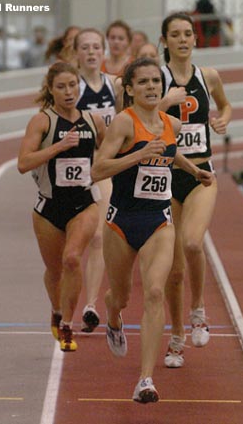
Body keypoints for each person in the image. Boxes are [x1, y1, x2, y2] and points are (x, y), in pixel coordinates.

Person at [91, 57, 214, 403]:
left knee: (155, 292)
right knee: (120, 296)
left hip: (159, 221)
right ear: (129, 90)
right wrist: (138, 154)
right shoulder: (123, 124)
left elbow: (171, 155)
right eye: (142, 82)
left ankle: (145, 379)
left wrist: (194, 171)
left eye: (155, 82)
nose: (151, 87)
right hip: (121, 221)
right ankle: (112, 316)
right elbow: (99, 170)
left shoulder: (170, 123)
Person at [159, 12, 232, 368]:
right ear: (166, 41)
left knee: (192, 242)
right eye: (176, 35)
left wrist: (222, 120)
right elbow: (137, 117)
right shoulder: (157, 79)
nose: (184, 40)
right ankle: (175, 337)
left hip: (201, 173)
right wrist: (163, 103)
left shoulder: (209, 76)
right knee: (173, 269)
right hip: (166, 176)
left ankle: (199, 309)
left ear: (195, 39)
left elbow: (226, 104)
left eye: (188, 33)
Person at [17, 62, 106, 352]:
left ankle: (67, 324)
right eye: (62, 87)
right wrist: (58, 147)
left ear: (79, 86)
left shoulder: (94, 122)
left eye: (73, 85)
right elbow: (23, 164)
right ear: (51, 90)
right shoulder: (42, 121)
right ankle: (56, 309)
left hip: (84, 204)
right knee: (54, 270)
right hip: (49, 208)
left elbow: (108, 155)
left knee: (72, 259)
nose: (69, 92)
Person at [73, 28, 121, 332]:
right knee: (70, 248)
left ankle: (90, 305)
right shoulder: (70, 88)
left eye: (96, 47)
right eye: (85, 47)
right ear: (76, 53)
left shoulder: (114, 85)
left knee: (100, 238)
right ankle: (61, 307)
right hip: (74, 169)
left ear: (103, 52)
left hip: (103, 168)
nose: (92, 52)